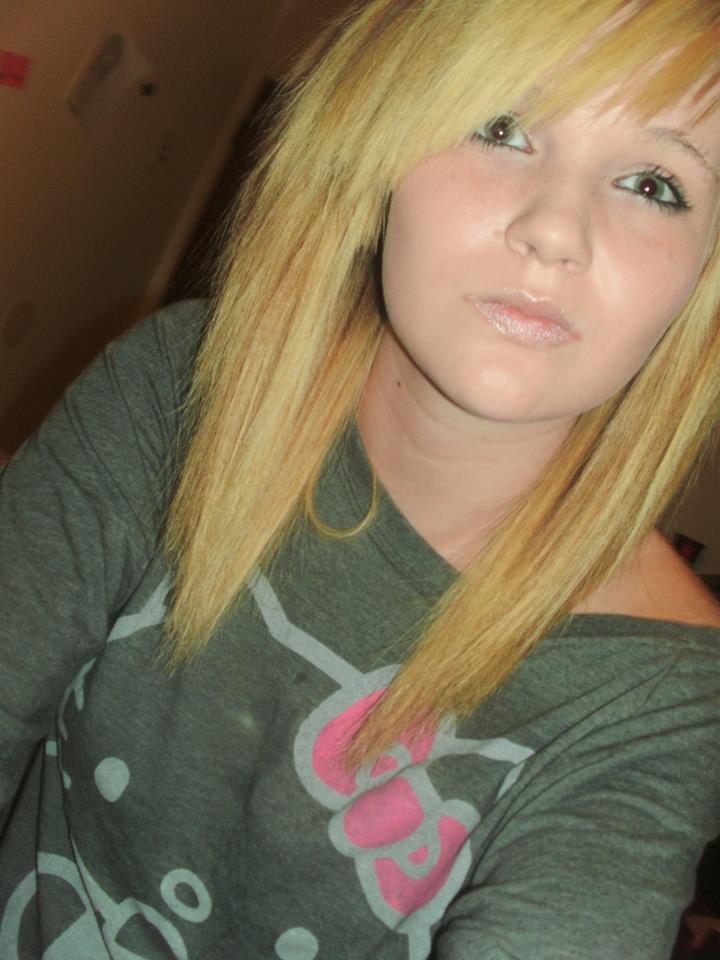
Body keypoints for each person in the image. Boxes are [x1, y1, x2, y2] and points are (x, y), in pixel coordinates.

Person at [2, 0, 720, 956]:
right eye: (501, 127)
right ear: (379, 148)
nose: (556, 230)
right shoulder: (181, 387)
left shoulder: (659, 699)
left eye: (654, 183)